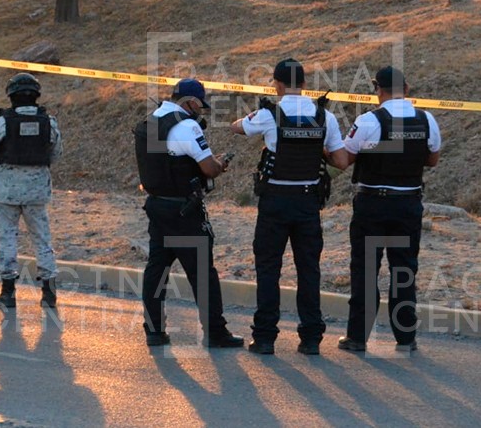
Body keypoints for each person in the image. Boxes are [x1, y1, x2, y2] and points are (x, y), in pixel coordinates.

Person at [230, 58, 347, 355]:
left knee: (268, 269)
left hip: (275, 202)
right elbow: (339, 160)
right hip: (308, 203)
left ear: (277, 84)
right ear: (305, 84)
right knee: (309, 269)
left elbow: (237, 128)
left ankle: (266, 337)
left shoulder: (270, 114)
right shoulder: (324, 116)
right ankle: (310, 339)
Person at [337, 66, 441, 353]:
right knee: (404, 271)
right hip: (408, 204)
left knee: (366, 270)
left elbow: (345, 158)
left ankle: (357, 337)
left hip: (373, 204)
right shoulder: (426, 119)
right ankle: (406, 337)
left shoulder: (369, 121)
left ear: (377, 91)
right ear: (406, 89)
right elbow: (432, 160)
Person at [136, 78, 244, 348]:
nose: (200, 110)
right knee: (202, 273)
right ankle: (216, 332)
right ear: (191, 101)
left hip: (157, 207)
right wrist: (220, 164)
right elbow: (208, 168)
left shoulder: (149, 122)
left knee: (156, 270)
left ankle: (154, 330)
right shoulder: (186, 125)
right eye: (200, 105)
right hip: (184, 211)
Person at [0, 73, 63, 309]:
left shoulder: (3, 122)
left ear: (12, 96)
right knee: (42, 240)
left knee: (7, 240)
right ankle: (49, 293)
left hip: (6, 192)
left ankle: (8, 293)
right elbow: (56, 153)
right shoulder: (49, 122)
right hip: (37, 191)